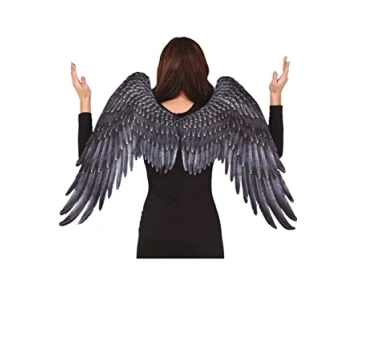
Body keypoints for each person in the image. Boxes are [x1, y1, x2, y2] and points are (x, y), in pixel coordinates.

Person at [70, 37, 290, 259]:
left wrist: (84, 100)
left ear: (164, 69)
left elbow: (90, 156)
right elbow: (272, 152)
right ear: (200, 68)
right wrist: (275, 95)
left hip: (155, 231)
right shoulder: (220, 107)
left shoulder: (139, 104)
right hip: (204, 232)